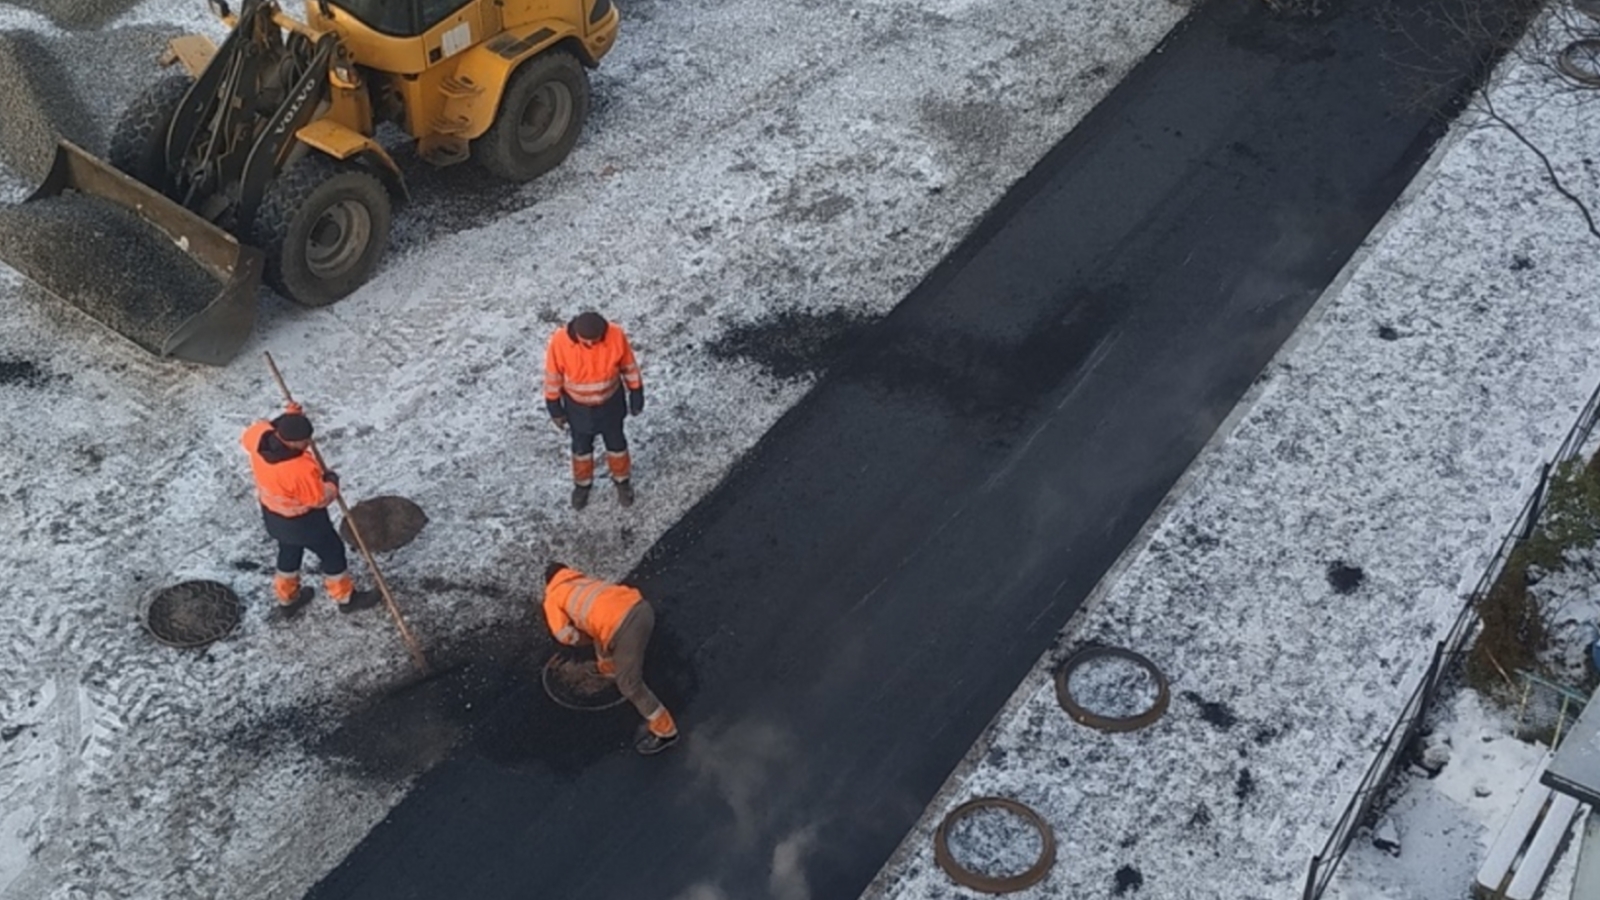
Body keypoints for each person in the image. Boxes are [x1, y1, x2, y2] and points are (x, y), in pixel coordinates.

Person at [240, 402, 373, 613]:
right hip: (303, 522)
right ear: (293, 442)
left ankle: (287, 599)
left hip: (273, 515)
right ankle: (345, 598)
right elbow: (319, 499)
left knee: (289, 551)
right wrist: (331, 482)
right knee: (332, 552)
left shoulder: (259, 435)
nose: (308, 444)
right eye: (304, 441)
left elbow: (268, 427)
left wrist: (290, 418)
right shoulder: (297, 470)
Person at [542, 562, 679, 754]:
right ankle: (608, 669)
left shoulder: (553, 597)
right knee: (602, 636)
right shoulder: (583, 581)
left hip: (626, 629)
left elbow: (565, 635)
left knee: (629, 684)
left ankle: (665, 731)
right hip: (641, 608)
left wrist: (583, 640)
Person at [543, 311, 644, 510]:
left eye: (595, 341)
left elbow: (629, 366)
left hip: (611, 406)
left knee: (617, 447)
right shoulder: (560, 342)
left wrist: (636, 393)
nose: (590, 345)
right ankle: (582, 486)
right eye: (586, 341)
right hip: (578, 409)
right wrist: (554, 408)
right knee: (581, 450)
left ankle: (622, 483)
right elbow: (553, 376)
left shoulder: (616, 335)